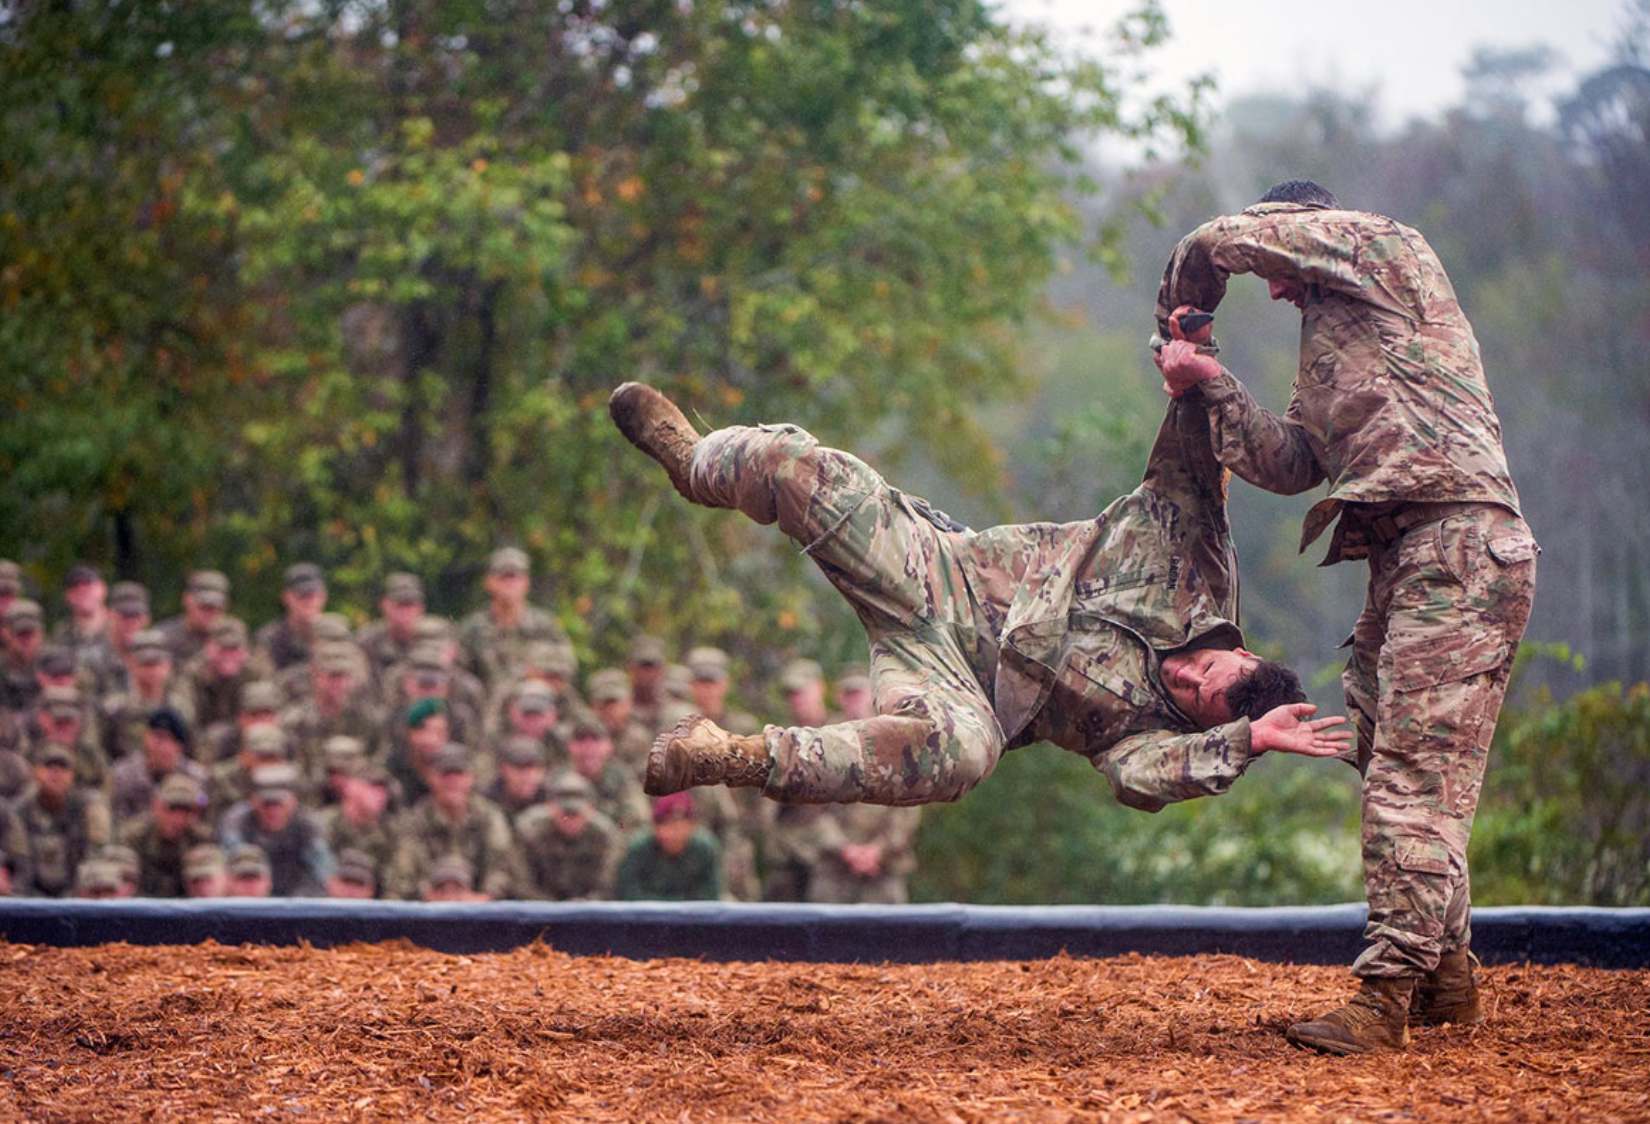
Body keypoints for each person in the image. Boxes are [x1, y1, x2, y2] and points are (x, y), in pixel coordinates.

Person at [1152, 179, 1538, 1054]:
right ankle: (1445, 973)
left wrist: (1184, 298)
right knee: (1391, 758)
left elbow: (1217, 240)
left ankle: (1384, 996)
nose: (1278, 290)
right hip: (1404, 558)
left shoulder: (1384, 251)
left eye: (1279, 272)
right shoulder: (1333, 343)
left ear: (1298, 233)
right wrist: (1208, 381)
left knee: (1411, 777)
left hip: (1460, 543)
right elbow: (1292, 462)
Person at [610, 382, 1347, 804]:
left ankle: (725, 756)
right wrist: (1195, 351)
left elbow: (1143, 778)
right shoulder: (1195, 568)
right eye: (1209, 669)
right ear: (1237, 649)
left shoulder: (1158, 742)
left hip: (964, 684)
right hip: (940, 569)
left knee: (958, 757)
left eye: (1196, 697)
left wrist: (1243, 741)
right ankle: (694, 461)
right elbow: (1192, 455)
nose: (1187, 677)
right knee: (800, 470)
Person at [383, 744, 522, 901]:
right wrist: (429, 894)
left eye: (459, 774)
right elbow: (403, 872)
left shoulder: (489, 816)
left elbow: (502, 867)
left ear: (471, 778)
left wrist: (484, 897)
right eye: (445, 775)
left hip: (480, 906)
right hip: (427, 906)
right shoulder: (414, 821)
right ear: (431, 777)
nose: (453, 782)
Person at [457, 547, 568, 692]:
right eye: (503, 577)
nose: (510, 584)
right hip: (486, 709)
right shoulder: (473, 628)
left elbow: (566, 668)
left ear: (526, 582)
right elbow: (458, 674)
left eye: (515, 577)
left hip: (534, 706)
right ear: (489, 582)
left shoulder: (545, 626)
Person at [10, 741, 111, 896]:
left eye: (63, 767)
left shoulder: (87, 809)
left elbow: (96, 857)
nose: (55, 773)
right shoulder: (19, 811)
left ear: (72, 775)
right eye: (48, 766)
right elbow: (17, 862)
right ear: (35, 771)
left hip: (78, 895)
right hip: (27, 895)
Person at [218, 763, 333, 896]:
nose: (273, 811)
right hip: (249, 898)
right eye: (266, 804)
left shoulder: (309, 826)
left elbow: (322, 874)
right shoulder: (237, 822)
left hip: (296, 901)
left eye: (278, 804)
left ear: (293, 803)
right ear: (253, 802)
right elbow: (229, 867)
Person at [515, 770, 622, 901]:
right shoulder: (531, 831)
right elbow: (521, 882)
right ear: (551, 808)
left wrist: (585, 905)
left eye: (575, 814)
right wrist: (552, 908)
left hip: (591, 911)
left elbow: (608, 884)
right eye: (565, 814)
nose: (570, 821)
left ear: (590, 810)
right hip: (541, 908)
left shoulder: (604, 836)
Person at [108, 707, 210, 826]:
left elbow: (203, 814)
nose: (159, 746)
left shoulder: (196, 778)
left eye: (168, 739)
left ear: (180, 746)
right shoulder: (124, 775)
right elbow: (116, 821)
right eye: (156, 737)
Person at [615, 792, 722, 901]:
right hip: (646, 914)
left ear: (692, 826)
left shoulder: (705, 849)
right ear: (654, 827)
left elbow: (710, 896)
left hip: (692, 915)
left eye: (679, 826)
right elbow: (628, 894)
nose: (673, 833)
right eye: (666, 825)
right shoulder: (638, 848)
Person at [121, 773, 212, 897]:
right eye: (171, 809)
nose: (178, 818)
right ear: (156, 806)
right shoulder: (133, 837)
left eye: (186, 811)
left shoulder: (201, 839)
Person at [566, 714, 649, 834]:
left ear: (608, 746)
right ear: (570, 746)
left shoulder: (621, 777)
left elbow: (638, 815)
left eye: (596, 740)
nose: (589, 747)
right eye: (581, 740)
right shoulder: (560, 779)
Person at [355, 572, 427, 687]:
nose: (405, 612)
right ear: (384, 605)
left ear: (420, 608)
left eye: (410, 604)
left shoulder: (434, 639)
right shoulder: (367, 640)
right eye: (399, 604)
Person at [254, 563, 328, 671]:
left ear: (323, 596)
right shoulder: (270, 639)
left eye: (312, 595)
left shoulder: (338, 635)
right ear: (286, 597)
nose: (307, 601)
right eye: (301, 595)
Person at [156, 570, 231, 663]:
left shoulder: (233, 639)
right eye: (203, 607)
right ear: (186, 600)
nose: (209, 614)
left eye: (214, 608)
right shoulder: (163, 638)